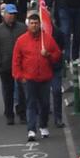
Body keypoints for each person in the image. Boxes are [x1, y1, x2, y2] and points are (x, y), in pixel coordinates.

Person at [12, 10, 61, 141]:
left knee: (45, 104)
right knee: (31, 104)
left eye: (36, 23)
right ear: (28, 25)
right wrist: (19, 76)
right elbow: (16, 60)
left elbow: (57, 55)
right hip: (29, 79)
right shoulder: (21, 41)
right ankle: (31, 129)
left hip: (45, 78)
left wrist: (48, 55)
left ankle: (43, 125)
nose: (34, 25)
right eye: (32, 23)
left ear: (40, 24)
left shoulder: (47, 39)